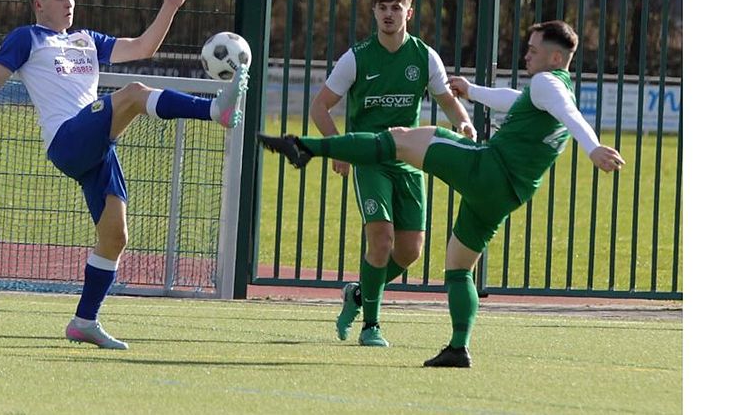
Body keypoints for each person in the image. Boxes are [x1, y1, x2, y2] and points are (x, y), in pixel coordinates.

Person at [259, 20, 625, 367]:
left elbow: (571, 114)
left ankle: (304, 147)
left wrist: (592, 148)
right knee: (458, 267)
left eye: (532, 50)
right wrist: (472, 91)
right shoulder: (549, 87)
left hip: (487, 169)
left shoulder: (548, 83)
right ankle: (458, 347)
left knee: (399, 139)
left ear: (556, 58)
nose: (526, 56)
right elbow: (517, 100)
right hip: (506, 196)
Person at [0, 0, 249, 350]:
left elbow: (143, 47)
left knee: (115, 236)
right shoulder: (27, 38)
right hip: (68, 139)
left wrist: (170, 5)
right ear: (39, 5)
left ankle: (84, 321)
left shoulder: (87, 40)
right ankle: (215, 110)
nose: (68, 3)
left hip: (97, 146)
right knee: (134, 93)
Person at [309, 0, 475, 348]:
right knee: (380, 240)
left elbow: (446, 99)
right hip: (369, 157)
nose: (388, 13)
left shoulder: (424, 56)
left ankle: (357, 294)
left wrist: (463, 121)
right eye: (382, 7)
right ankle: (371, 324)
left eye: (396, 7)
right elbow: (319, 107)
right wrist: (339, 148)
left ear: (409, 14)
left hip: (408, 157)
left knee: (410, 251)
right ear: (373, 13)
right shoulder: (356, 57)